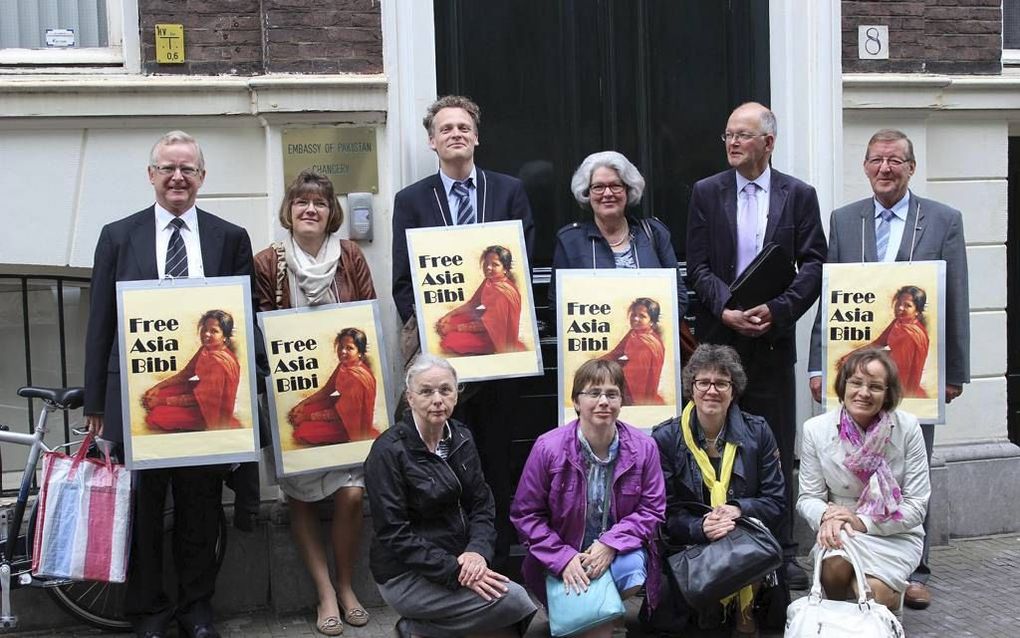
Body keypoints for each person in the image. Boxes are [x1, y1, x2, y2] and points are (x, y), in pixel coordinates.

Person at [83, 130, 256, 638]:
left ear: (202, 177)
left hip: (204, 403)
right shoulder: (118, 236)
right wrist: (96, 401)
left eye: (188, 169)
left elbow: (242, 324)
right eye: (167, 168)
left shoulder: (230, 237)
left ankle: (197, 610)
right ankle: (149, 613)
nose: (177, 177)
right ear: (151, 175)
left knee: (201, 509)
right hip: (139, 400)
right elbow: (100, 324)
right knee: (143, 509)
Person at [807, 128, 970, 608]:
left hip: (917, 378)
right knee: (853, 465)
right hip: (858, 376)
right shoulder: (845, 219)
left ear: (911, 168)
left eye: (895, 161)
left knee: (909, 467)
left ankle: (916, 570)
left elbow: (955, 297)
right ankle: (853, 550)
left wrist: (954, 371)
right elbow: (831, 296)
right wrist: (821, 363)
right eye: (877, 160)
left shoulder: (943, 220)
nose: (885, 168)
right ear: (864, 166)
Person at [685, 102, 826, 588]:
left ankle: (782, 551)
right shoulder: (706, 193)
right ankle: (712, 542)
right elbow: (697, 266)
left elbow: (813, 265)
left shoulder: (798, 196)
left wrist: (780, 309)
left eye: (742, 136)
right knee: (710, 441)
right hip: (720, 344)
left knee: (773, 445)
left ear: (768, 142)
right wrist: (724, 308)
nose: (732, 143)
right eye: (727, 135)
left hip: (771, 343)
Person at [391, 95, 536, 569]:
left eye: (464, 127)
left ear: (477, 136)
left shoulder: (510, 192)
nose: (456, 134)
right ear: (432, 141)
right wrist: (434, 336)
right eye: (446, 128)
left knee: (495, 462)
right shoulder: (410, 200)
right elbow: (403, 283)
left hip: (499, 358)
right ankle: (448, 563)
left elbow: (523, 271)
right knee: (441, 464)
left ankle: (498, 565)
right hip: (442, 365)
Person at [253, 170, 377, 635]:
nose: (310, 209)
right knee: (300, 497)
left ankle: (348, 585)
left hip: (348, 395)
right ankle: (325, 593)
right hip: (294, 393)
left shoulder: (350, 256)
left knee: (351, 492)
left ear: (332, 213)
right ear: (288, 211)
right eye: (302, 202)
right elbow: (259, 324)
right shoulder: (268, 260)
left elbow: (368, 313)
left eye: (320, 203)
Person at [364, 354, 537, 638]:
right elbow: (394, 533)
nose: (437, 399)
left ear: (457, 395)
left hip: (461, 560)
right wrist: (453, 569)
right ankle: (415, 627)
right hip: (406, 573)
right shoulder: (388, 452)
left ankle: (420, 630)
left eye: (445, 390)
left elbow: (482, 504)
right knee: (513, 600)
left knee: (505, 622)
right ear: (410, 398)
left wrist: (477, 552)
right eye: (426, 391)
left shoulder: (461, 437)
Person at [511, 359, 666, 638]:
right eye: (593, 393)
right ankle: (601, 619)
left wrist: (611, 543)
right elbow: (526, 514)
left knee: (632, 570)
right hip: (561, 556)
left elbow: (652, 509)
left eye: (612, 393)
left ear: (622, 401)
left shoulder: (645, 448)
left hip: (615, 555)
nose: (603, 401)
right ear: (576, 402)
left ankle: (598, 616)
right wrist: (564, 557)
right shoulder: (548, 447)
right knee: (597, 631)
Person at [650, 344, 785, 636]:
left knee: (743, 546)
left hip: (745, 537)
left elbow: (776, 502)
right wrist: (700, 526)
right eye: (703, 382)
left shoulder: (758, 431)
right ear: (691, 388)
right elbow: (663, 512)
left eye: (722, 383)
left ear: (733, 390)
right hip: (691, 546)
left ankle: (744, 615)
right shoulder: (665, 438)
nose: (712, 390)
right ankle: (712, 610)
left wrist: (739, 511)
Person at [798, 349, 931, 613]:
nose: (864, 393)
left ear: (888, 393)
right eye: (856, 382)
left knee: (875, 594)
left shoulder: (908, 428)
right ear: (843, 385)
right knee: (834, 569)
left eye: (875, 386)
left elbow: (916, 506)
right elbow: (807, 498)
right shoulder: (815, 429)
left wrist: (862, 521)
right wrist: (829, 518)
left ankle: (886, 607)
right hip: (841, 529)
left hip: (893, 532)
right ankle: (838, 621)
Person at [550, 151, 687, 317]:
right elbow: (558, 305)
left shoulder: (655, 233)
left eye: (615, 185)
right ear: (587, 193)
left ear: (628, 190)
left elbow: (679, 297)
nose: (607, 194)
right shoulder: (569, 241)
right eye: (598, 187)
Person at [143, 309, 242, 431]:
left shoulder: (218, 363)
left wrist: (160, 401)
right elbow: (186, 374)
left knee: (155, 416)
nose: (206, 334)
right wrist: (157, 387)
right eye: (205, 329)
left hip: (209, 411)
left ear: (225, 337)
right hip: (201, 393)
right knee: (160, 392)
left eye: (214, 331)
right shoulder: (207, 350)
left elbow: (201, 399)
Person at [288, 328, 378, 446]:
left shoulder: (356, 378)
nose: (343, 351)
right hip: (341, 408)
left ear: (359, 352)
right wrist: (303, 404)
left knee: (300, 432)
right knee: (301, 410)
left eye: (349, 348)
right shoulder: (345, 365)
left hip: (349, 424)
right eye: (341, 347)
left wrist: (307, 417)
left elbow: (341, 414)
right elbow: (327, 391)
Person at [839, 286, 930, 398]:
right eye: (898, 303)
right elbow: (878, 343)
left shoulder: (908, 333)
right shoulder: (900, 323)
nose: (900, 308)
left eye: (908, 305)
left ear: (917, 311)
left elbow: (899, 371)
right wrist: (852, 355)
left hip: (900, 390)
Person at [436, 245, 526, 355]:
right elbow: (473, 304)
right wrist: (449, 314)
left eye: (495, 265)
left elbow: (488, 324)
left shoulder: (503, 292)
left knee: (450, 341)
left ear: (505, 269)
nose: (488, 267)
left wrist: (454, 328)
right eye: (486, 263)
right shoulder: (490, 281)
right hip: (486, 323)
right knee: (450, 320)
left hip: (495, 337)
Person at [600, 297, 666, 405]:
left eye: (642, 316)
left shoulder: (646, 343)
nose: (635, 318)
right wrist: (594, 363)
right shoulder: (634, 333)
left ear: (652, 321)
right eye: (633, 314)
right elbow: (615, 353)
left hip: (636, 397)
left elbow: (634, 378)